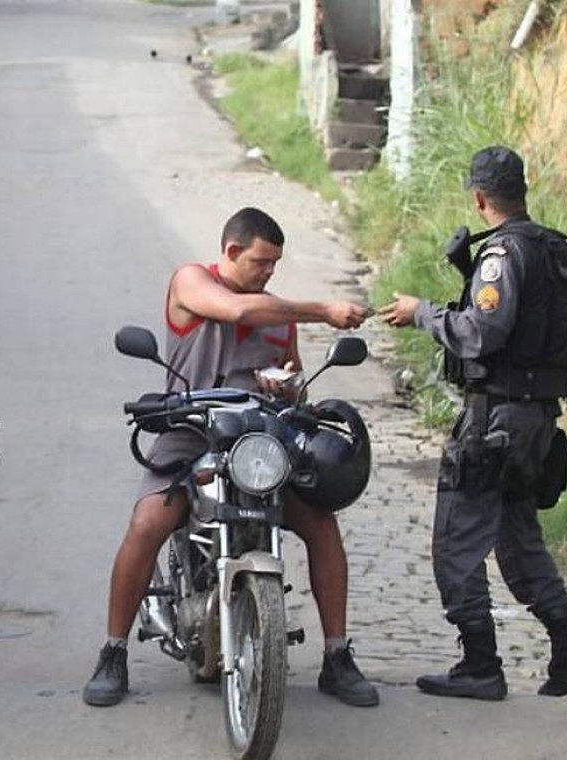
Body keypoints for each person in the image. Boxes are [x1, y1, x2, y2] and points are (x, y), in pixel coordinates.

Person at [83, 207, 379, 708]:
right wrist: (324, 310)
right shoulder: (192, 281)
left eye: (275, 265)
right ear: (232, 251)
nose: (267, 274)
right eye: (261, 262)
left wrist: (285, 388)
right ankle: (112, 651)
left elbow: (296, 384)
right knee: (150, 520)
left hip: (259, 438)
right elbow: (237, 311)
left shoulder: (277, 314)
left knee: (320, 522)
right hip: (192, 427)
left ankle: (336, 654)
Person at [379, 146, 567, 701]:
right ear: (522, 190)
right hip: (538, 419)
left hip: (494, 417)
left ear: (479, 198)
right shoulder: (555, 247)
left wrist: (422, 312)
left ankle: (480, 665)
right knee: (519, 538)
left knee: (456, 541)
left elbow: (481, 333)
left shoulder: (501, 254)